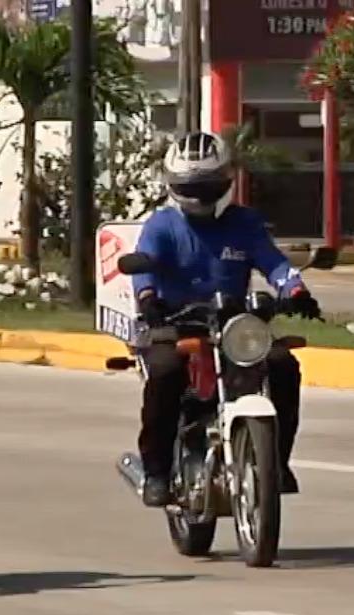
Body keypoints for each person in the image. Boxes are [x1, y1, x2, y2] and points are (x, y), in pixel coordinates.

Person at [131, 131, 321, 507]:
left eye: (208, 185)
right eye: (190, 185)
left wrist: (295, 291)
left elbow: (274, 264)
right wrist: (148, 298)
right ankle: (155, 471)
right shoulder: (162, 225)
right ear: (172, 184)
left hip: (235, 324)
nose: (200, 194)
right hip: (175, 322)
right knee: (166, 372)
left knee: (283, 366)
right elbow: (144, 266)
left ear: (227, 180)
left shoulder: (245, 223)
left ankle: (277, 463)